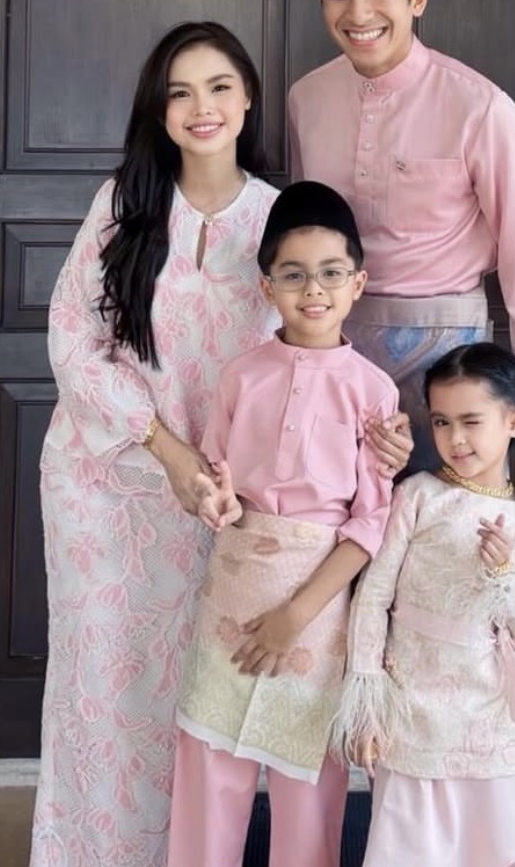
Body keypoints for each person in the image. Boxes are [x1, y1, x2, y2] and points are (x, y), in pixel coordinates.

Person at [30, 26, 408, 867]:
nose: (201, 108)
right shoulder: (122, 206)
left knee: (201, 703)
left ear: (247, 99)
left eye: (219, 87)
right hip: (110, 486)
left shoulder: (281, 218)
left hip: (235, 508)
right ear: (158, 110)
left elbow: (318, 358)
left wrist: (379, 437)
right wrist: (167, 451)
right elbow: (72, 340)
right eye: (180, 92)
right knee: (106, 688)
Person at [287, 0, 515, 545]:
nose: (358, 13)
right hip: (335, 351)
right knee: (332, 544)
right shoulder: (305, 100)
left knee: (446, 549)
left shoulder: (481, 108)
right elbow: (302, 241)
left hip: (449, 366)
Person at [167, 181, 400, 867]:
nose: (313, 290)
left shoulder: (373, 391)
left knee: (308, 775)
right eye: (293, 275)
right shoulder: (240, 376)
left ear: (357, 283)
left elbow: (370, 523)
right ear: (267, 287)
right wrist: (218, 502)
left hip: (317, 607)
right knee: (209, 760)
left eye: (331, 273)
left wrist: (295, 616)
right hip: (234, 590)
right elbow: (216, 480)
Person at [332, 342, 515, 867]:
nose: (455, 439)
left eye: (471, 422)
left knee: (491, 845)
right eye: (441, 422)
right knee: (412, 846)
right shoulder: (418, 496)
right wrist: (367, 701)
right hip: (413, 710)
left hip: (491, 716)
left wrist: (504, 575)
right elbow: (372, 599)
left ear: (514, 421)